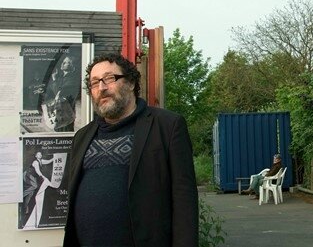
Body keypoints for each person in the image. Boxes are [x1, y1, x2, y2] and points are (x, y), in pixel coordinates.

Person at [63, 53, 198, 246]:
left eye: (110, 79)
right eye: (94, 83)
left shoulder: (167, 126)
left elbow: (185, 200)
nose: (102, 88)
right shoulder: (82, 137)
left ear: (131, 83)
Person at [42, 56, 81, 132]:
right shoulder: (61, 77)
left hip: (66, 112)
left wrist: (54, 79)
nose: (63, 63)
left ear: (72, 66)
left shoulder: (72, 79)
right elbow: (52, 91)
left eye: (67, 62)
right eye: (63, 61)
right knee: (58, 130)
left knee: (66, 132)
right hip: (59, 111)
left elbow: (59, 92)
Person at [21, 151, 55, 228]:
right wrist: (42, 177)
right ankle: (21, 195)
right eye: (38, 154)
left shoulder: (41, 161)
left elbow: (48, 161)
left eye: (41, 154)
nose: (40, 155)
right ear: (36, 156)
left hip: (32, 177)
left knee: (31, 194)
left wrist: (54, 158)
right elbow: (37, 171)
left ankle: (25, 207)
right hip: (28, 175)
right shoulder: (35, 162)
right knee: (34, 186)